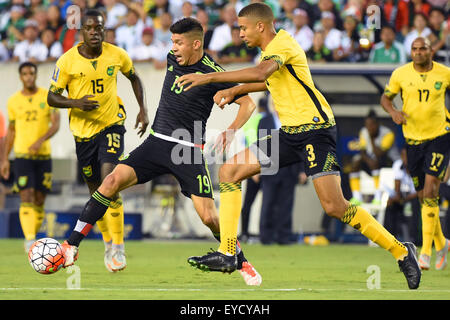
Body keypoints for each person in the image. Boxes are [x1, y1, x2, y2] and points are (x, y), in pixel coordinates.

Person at [176, 2, 421, 290]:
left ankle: (401, 252)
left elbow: (260, 74)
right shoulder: (271, 52)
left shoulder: (283, 44)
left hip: (316, 132)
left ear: (260, 26)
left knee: (335, 206)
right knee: (229, 172)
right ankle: (229, 252)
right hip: (290, 134)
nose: (239, 34)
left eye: (243, 28)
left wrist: (209, 78)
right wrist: (236, 90)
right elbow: (271, 82)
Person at [60, 17, 262, 286]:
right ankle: (70, 245)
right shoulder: (172, 58)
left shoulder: (213, 74)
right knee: (110, 181)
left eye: (179, 42)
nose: (174, 47)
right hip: (156, 143)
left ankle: (241, 261)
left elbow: (248, 104)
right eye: (172, 42)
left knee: (209, 216)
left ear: (196, 44)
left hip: (187, 150)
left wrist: (231, 129)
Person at [47, 9, 150, 272]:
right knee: (96, 193)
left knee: (110, 182)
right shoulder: (67, 61)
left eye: (99, 28)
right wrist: (75, 102)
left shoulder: (117, 54)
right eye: (90, 28)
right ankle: (107, 242)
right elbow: (52, 97)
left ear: (105, 30)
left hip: (112, 125)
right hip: (83, 134)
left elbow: (134, 77)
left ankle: (118, 247)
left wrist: (143, 109)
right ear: (81, 31)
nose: (95, 32)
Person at [381, 36, 450, 271]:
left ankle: (426, 253)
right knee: (423, 197)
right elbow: (385, 98)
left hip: (439, 137)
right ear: (411, 52)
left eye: (423, 49)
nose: (418, 52)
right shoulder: (400, 74)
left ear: (431, 51)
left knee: (432, 189)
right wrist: (393, 112)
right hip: (413, 141)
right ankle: (442, 243)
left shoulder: (444, 73)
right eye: (415, 49)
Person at [0, 62, 60, 252]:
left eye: (31, 73)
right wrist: (4, 159)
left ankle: (32, 238)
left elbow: (55, 125)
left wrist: (40, 141)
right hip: (22, 156)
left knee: (40, 199)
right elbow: (11, 131)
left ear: (35, 75)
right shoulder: (13, 101)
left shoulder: (47, 96)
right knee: (26, 195)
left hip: (43, 156)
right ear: (20, 77)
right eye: (25, 74)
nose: (28, 77)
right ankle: (30, 240)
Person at [348, 109, 399, 206]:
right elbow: (362, 151)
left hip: (390, 164)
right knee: (355, 162)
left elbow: (379, 153)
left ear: (377, 124)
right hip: (372, 163)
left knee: (375, 160)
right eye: (367, 125)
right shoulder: (364, 131)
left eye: (371, 125)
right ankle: (356, 196)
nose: (369, 128)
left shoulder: (388, 133)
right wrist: (368, 160)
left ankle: (378, 197)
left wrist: (371, 138)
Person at [384, 147, 421, 244]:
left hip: (415, 196)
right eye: (403, 156)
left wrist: (404, 199)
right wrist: (397, 198)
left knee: (416, 204)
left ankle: (414, 239)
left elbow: (419, 191)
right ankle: (389, 238)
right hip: (403, 195)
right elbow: (397, 187)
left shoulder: (418, 166)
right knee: (390, 203)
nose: (405, 159)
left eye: (407, 156)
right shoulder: (398, 165)